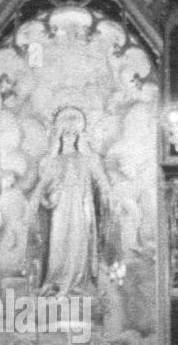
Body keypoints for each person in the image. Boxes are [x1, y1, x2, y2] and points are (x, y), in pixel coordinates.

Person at [30, 106, 118, 297]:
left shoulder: (88, 159)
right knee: (58, 244)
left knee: (78, 243)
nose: (69, 136)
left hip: (80, 207)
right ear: (59, 135)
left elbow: (102, 181)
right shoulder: (52, 160)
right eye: (65, 132)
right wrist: (42, 199)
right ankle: (55, 281)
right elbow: (43, 185)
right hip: (60, 208)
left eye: (74, 132)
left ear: (80, 135)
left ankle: (76, 283)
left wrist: (109, 196)